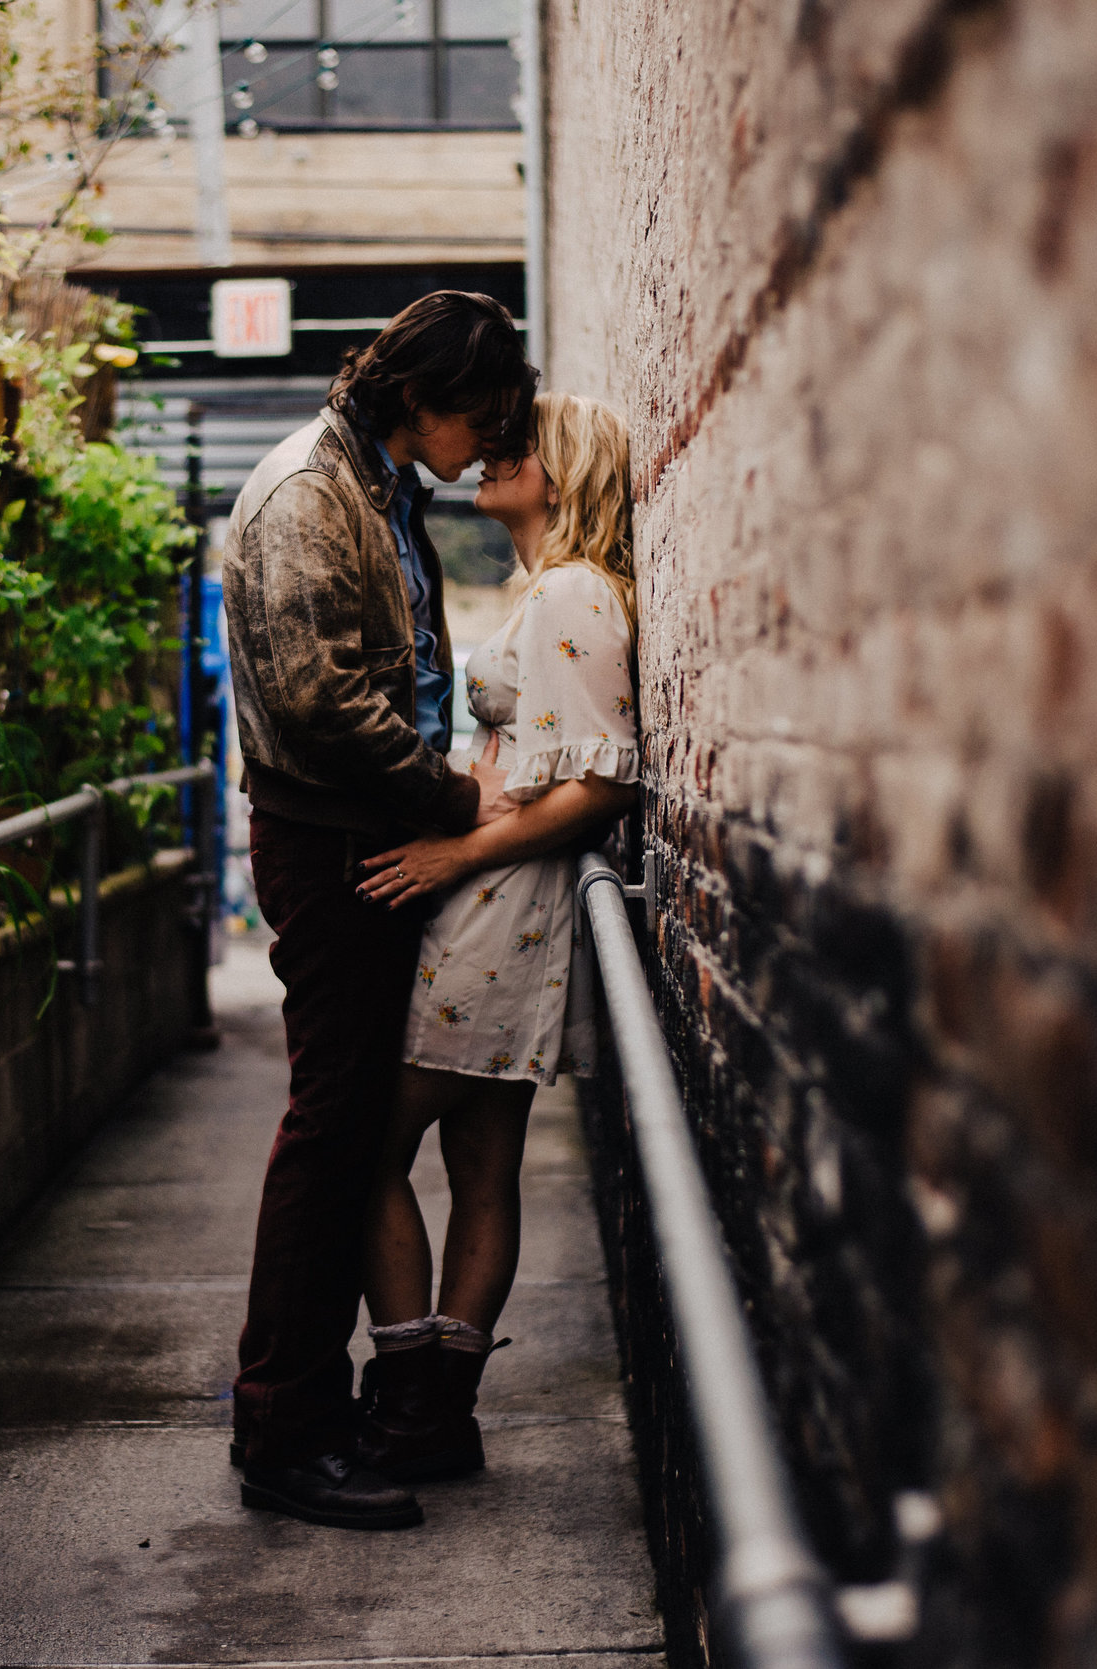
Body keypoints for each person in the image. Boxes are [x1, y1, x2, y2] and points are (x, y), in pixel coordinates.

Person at [223, 291, 539, 1530]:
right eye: (482, 414)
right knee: (335, 1132)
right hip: (334, 843)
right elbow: (317, 699)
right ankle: (284, 1430)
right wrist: (451, 793)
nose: (492, 442)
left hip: (362, 834)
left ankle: (307, 1404)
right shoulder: (313, 491)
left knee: (350, 1129)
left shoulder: (382, 485)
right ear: (421, 394)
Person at [348, 394, 642, 1482]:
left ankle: (412, 1395)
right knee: (480, 1162)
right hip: (511, 899)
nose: (489, 455)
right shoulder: (554, 588)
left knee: (364, 1152)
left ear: (558, 474)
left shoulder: (569, 590)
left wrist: (452, 857)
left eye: (515, 446)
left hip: (492, 900)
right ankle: (436, 1414)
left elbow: (605, 778)